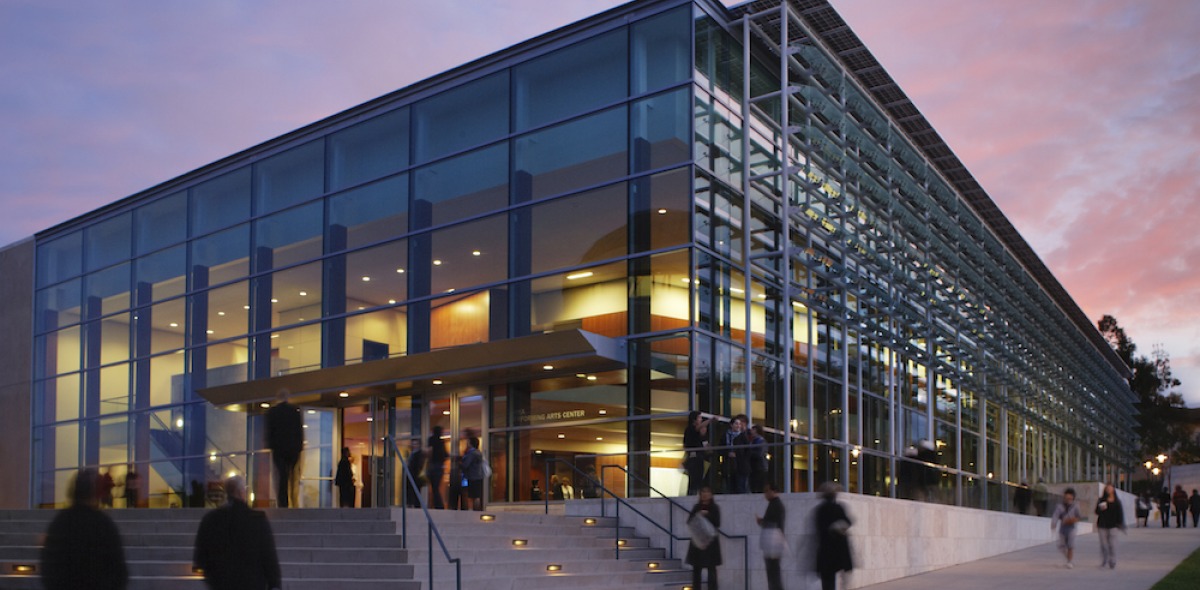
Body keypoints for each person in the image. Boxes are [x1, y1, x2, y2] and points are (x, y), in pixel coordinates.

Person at [40, 468, 129, 590]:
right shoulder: (103, 523)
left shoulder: (60, 522)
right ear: (95, 492)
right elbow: (118, 570)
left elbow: (49, 567)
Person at [193, 475, 282, 590]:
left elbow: (200, 560)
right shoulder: (257, 520)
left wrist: (213, 578)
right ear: (241, 493)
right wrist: (274, 584)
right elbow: (269, 558)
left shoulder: (209, 520)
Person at [265, 389, 303, 508]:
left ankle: (284, 503)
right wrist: (299, 448)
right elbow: (299, 432)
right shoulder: (294, 411)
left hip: (279, 450)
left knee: (282, 476)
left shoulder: (272, 412)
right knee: (293, 476)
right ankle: (294, 501)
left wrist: (271, 446)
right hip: (293, 450)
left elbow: (269, 433)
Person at [813, 482, 853, 590]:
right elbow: (848, 522)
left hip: (826, 551)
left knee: (827, 582)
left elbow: (818, 530)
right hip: (838, 551)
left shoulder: (820, 510)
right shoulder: (838, 508)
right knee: (835, 581)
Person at [686, 486, 722, 590]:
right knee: (696, 569)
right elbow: (689, 521)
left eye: (707, 492)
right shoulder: (696, 507)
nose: (705, 494)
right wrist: (698, 514)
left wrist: (707, 515)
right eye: (703, 492)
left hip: (710, 543)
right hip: (698, 542)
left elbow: (717, 523)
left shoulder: (714, 508)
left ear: (711, 494)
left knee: (711, 569)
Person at [755, 482, 785, 590]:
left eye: (767, 491)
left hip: (773, 541)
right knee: (773, 572)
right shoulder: (775, 504)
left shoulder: (775, 504)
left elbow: (773, 523)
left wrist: (761, 521)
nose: (765, 494)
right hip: (774, 541)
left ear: (773, 491)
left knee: (773, 572)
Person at [1094, 483, 1125, 569]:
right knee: (1104, 545)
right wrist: (1101, 509)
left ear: (1113, 490)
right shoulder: (1101, 500)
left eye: (1110, 488)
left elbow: (1120, 513)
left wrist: (1120, 523)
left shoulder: (1117, 501)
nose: (1108, 490)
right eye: (1107, 489)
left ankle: (1112, 560)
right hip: (1102, 525)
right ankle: (1104, 560)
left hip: (1113, 525)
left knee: (1112, 544)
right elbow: (1096, 511)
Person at [1050, 487, 1082, 568]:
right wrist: (1054, 523)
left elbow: (1079, 516)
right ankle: (1068, 558)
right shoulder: (1060, 506)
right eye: (1066, 497)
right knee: (1061, 546)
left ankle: (1069, 561)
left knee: (1070, 545)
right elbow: (1056, 515)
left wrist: (1073, 520)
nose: (1068, 499)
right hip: (1062, 528)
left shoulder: (1075, 506)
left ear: (1073, 497)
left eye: (1070, 497)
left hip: (1072, 527)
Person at [683, 411, 711, 495]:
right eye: (699, 418)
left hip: (700, 458)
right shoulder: (690, 429)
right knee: (694, 478)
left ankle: (697, 493)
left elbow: (707, 447)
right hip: (693, 458)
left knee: (699, 477)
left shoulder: (701, 437)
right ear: (694, 419)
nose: (701, 420)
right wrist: (710, 420)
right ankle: (692, 494)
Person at [721, 415, 750, 494]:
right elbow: (720, 449)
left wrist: (737, 454)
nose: (738, 426)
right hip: (729, 465)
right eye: (736, 424)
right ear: (731, 425)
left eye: (739, 424)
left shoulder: (743, 436)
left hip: (740, 466)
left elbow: (747, 451)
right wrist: (727, 453)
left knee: (740, 487)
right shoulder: (725, 436)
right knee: (730, 487)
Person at [460, 436, 485, 511]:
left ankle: (473, 510)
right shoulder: (478, 453)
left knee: (472, 496)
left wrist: (459, 463)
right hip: (479, 476)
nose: (467, 444)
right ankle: (477, 510)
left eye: (468, 442)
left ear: (471, 444)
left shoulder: (471, 453)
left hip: (472, 477)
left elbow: (465, 465)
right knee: (477, 496)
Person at [426, 425, 447, 509]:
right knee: (436, 487)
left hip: (432, 465)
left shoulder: (431, 440)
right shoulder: (441, 441)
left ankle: (437, 505)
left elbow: (429, 451)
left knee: (434, 487)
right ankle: (438, 505)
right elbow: (445, 454)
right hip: (439, 466)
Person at [747, 425, 768, 494]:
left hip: (759, 466)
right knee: (753, 484)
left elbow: (760, 454)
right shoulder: (752, 441)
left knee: (758, 485)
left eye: (753, 430)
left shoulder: (761, 441)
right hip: (754, 466)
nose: (751, 432)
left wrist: (749, 452)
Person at [406, 438, 427, 508]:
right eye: (413, 443)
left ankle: (417, 506)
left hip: (416, 476)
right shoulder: (411, 453)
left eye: (416, 444)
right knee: (410, 491)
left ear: (419, 445)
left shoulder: (419, 453)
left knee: (416, 492)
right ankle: (410, 504)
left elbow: (419, 465)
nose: (414, 445)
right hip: (410, 475)